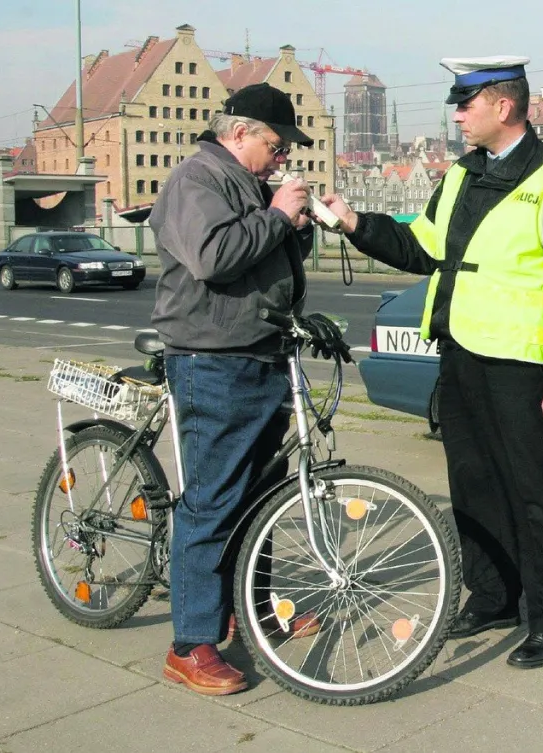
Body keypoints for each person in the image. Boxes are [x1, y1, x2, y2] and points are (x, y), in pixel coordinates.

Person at [320, 55, 543, 670]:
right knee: (473, 485)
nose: (456, 116)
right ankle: (494, 596)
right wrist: (354, 223)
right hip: (459, 353)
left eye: (465, 104)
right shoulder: (460, 174)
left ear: (503, 106)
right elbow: (421, 247)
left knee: (535, 494)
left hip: (521, 364)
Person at [150, 82, 346, 696]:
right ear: (239, 133)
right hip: (213, 360)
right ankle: (191, 643)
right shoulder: (196, 180)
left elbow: (262, 258)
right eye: (277, 145)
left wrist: (297, 226)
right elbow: (213, 258)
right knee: (211, 502)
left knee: (257, 497)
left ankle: (251, 609)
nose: (283, 156)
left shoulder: (247, 184)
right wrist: (278, 215)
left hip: (261, 353)